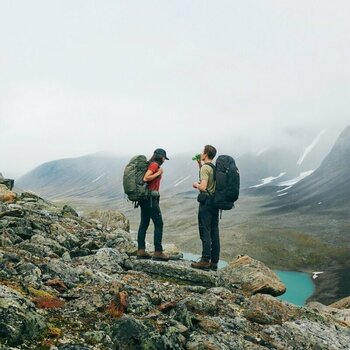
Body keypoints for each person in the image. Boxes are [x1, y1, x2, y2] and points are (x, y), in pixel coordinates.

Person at [137, 148, 170, 261]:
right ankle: (158, 252)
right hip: (150, 199)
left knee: (144, 224)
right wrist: (158, 173)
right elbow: (146, 178)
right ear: (161, 157)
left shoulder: (151, 164)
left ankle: (141, 250)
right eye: (164, 158)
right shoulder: (154, 165)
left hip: (145, 199)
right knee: (159, 223)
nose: (164, 160)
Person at [191, 145, 220, 270]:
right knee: (214, 231)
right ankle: (214, 261)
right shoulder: (214, 167)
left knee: (205, 231)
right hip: (215, 203)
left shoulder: (205, 168)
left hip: (206, 203)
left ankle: (204, 260)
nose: (201, 153)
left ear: (206, 153)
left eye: (203, 151)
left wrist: (195, 184)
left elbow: (203, 187)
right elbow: (209, 180)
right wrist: (199, 164)